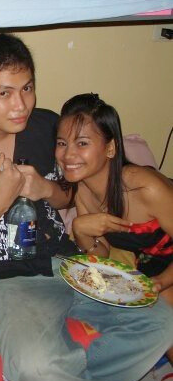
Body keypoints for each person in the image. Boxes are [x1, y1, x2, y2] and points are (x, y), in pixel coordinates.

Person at [0, 33, 173, 381]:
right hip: (3, 278)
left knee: (160, 322)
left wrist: (45, 190)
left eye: (27, 88)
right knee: (38, 365)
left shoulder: (45, 127)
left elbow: (70, 192)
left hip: (67, 261)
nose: (20, 105)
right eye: (5, 93)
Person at [56, 92, 173, 364]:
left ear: (110, 148)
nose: (68, 154)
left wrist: (160, 282)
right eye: (62, 143)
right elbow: (103, 255)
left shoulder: (145, 187)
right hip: (152, 267)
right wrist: (81, 230)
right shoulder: (83, 189)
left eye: (82, 143)